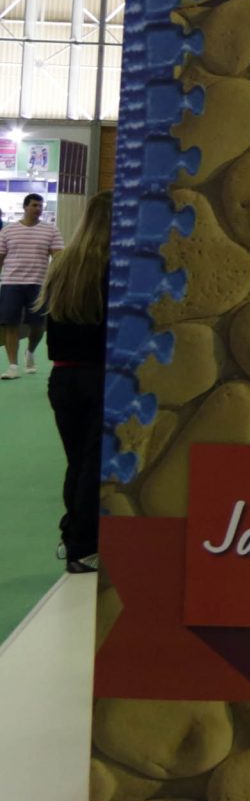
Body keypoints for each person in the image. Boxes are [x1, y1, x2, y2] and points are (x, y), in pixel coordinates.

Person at [39, 198, 108, 573]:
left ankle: (72, 538)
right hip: (99, 377)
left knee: (78, 462)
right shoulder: (113, 268)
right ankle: (83, 547)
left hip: (62, 377)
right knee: (93, 466)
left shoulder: (63, 265)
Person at [0, 192, 62, 379]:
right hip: (11, 283)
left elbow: (58, 257)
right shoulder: (8, 231)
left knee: (38, 325)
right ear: (25, 207)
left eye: (40, 206)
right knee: (10, 324)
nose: (38, 209)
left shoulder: (51, 230)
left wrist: (57, 280)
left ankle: (31, 352)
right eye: (34, 205)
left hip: (38, 284)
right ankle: (13, 366)